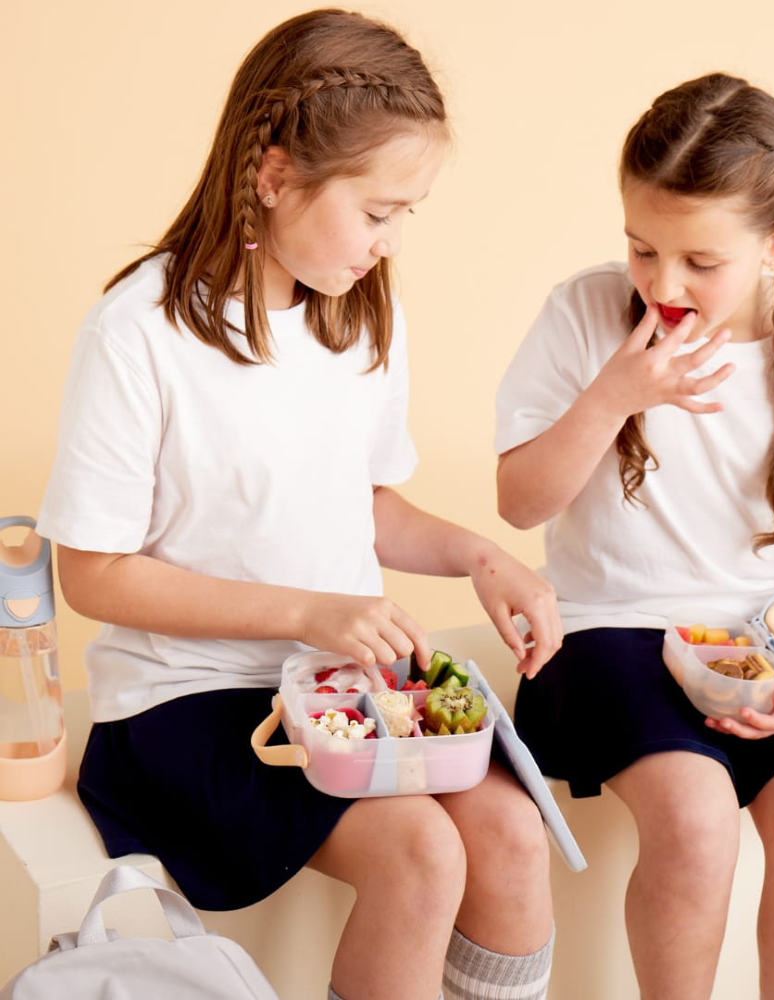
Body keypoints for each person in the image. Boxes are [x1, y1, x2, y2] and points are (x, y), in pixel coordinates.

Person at [37, 10, 560, 1000]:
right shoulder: (138, 331)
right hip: (186, 699)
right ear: (273, 175)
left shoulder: (362, 313)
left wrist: (480, 556)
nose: (390, 240)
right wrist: (311, 612)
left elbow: (363, 509)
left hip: (335, 681)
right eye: (376, 211)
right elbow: (93, 573)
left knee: (509, 835)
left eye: (409, 212)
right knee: (422, 854)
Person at [495, 72, 774, 1000]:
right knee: (696, 820)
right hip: (607, 625)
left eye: (700, 261)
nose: (664, 285)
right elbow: (521, 503)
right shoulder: (584, 312)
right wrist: (615, 395)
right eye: (643, 249)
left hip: (768, 638)